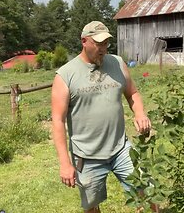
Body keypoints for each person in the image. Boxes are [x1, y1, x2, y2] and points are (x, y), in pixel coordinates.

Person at [51, 20, 152, 213]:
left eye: (106, 43)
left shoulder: (118, 63)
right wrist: (65, 163)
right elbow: (58, 121)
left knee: (145, 191)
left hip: (121, 148)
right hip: (87, 156)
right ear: (84, 41)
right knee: (91, 206)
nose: (103, 49)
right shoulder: (65, 75)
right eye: (98, 43)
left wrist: (139, 113)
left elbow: (133, 93)